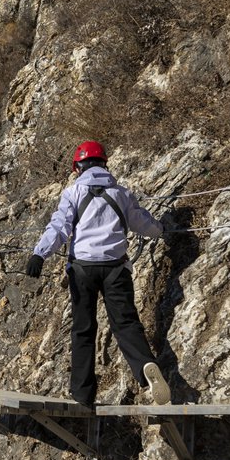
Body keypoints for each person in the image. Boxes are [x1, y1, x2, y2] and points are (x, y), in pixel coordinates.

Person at [25, 141, 171, 408]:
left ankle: (82, 394)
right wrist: (162, 230)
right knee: (125, 323)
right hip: (116, 269)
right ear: (105, 163)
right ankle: (145, 364)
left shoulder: (73, 193)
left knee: (83, 329)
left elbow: (59, 227)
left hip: (82, 269)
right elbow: (143, 224)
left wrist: (39, 254)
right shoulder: (122, 193)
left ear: (78, 167)